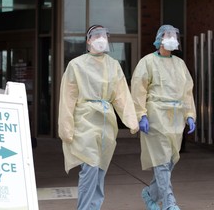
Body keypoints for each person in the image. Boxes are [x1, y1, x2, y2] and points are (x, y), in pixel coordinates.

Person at [58, 25, 139, 210]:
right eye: (96, 35)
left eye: (104, 35)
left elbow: (121, 95)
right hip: (84, 121)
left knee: (100, 171)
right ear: (88, 40)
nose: (101, 39)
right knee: (90, 168)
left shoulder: (113, 65)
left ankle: (94, 207)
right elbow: (68, 98)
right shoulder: (76, 65)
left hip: (106, 124)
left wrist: (132, 121)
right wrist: (66, 128)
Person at [131, 24, 196, 210]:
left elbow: (187, 92)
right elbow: (138, 90)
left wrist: (190, 114)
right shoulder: (147, 62)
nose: (172, 39)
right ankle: (169, 203)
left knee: (170, 160)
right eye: (168, 35)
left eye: (175, 36)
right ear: (160, 38)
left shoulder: (180, 64)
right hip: (155, 116)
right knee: (160, 161)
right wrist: (141, 114)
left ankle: (150, 194)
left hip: (176, 118)